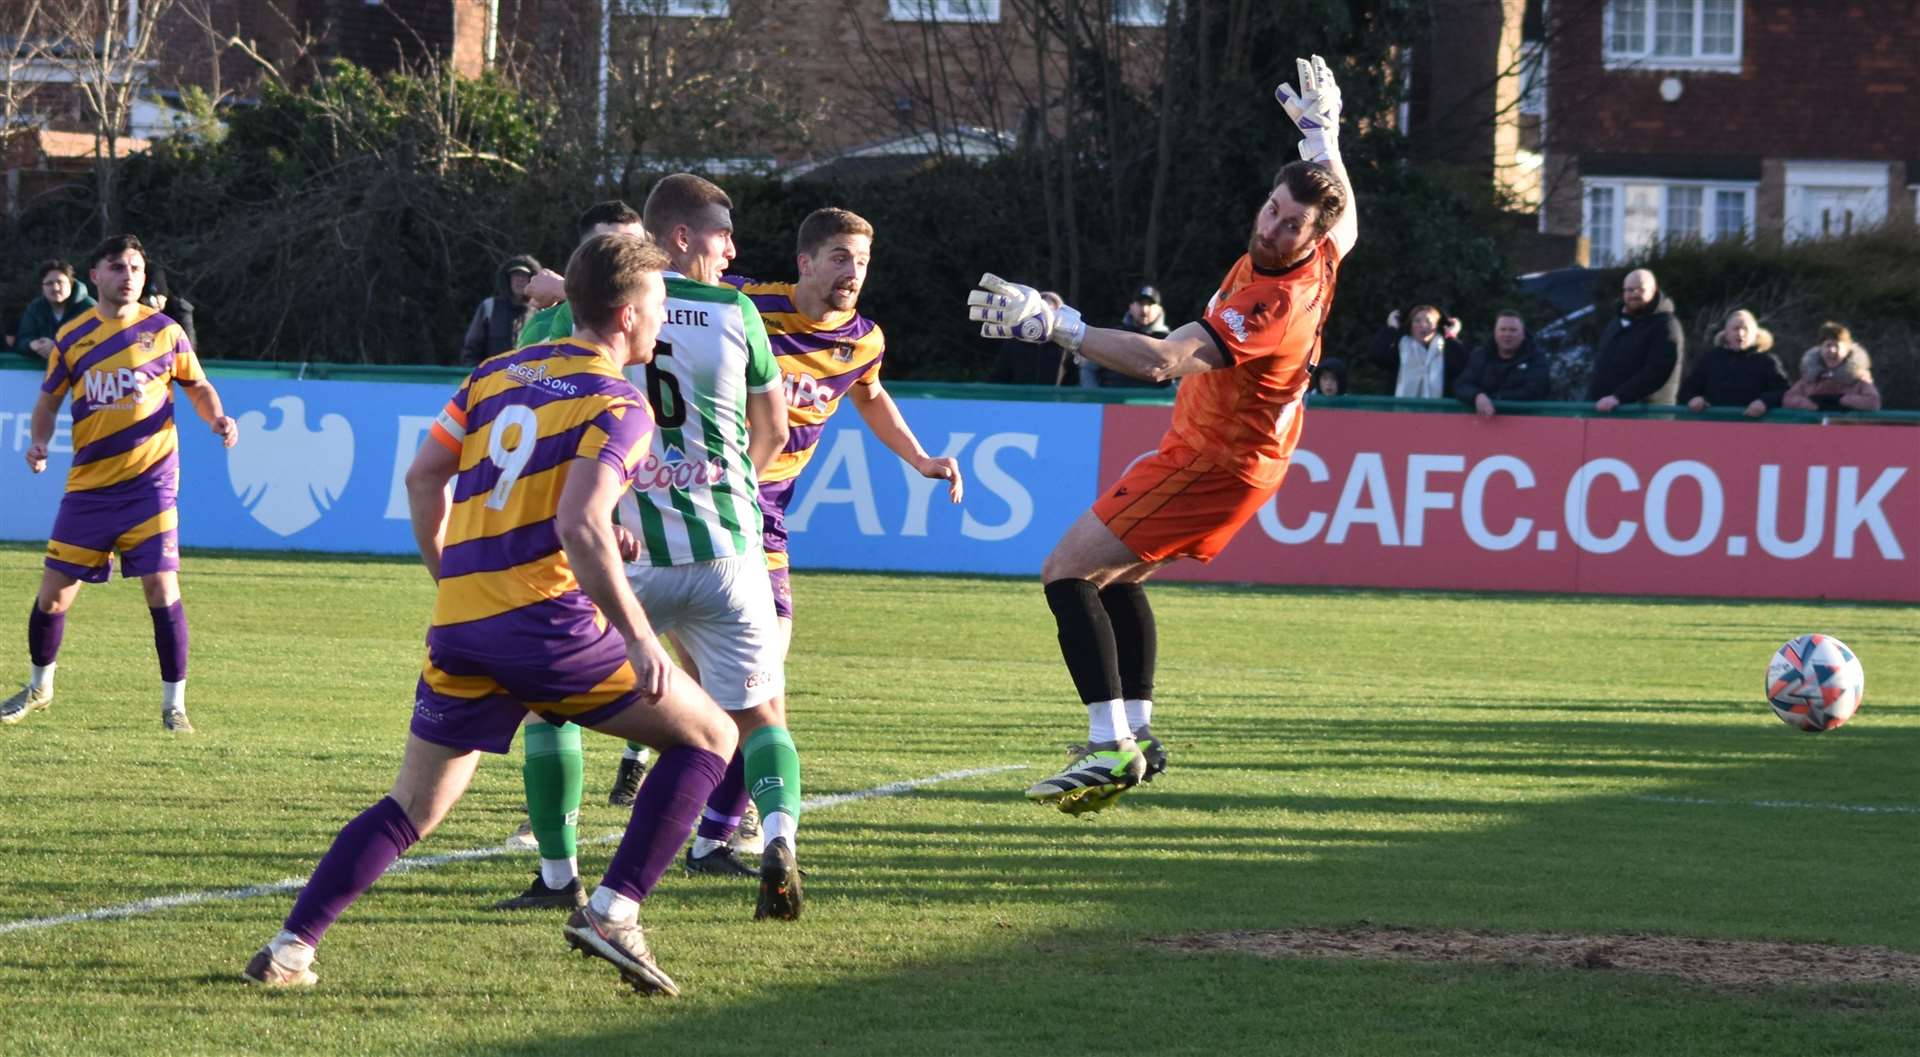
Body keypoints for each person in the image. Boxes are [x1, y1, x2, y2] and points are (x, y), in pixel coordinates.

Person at [242, 232, 738, 995]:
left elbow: (424, 475)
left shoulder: (497, 372)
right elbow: (577, 524)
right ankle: (612, 909)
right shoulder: (619, 402)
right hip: (542, 621)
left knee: (412, 805)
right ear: (631, 312)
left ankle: (289, 949)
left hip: (464, 621)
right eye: (660, 305)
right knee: (711, 734)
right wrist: (641, 639)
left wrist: (455, 576)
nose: (663, 319)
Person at [966, 55, 1357, 813]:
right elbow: (1351, 217)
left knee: (1066, 570)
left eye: (1289, 221)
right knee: (1116, 577)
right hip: (1232, 457)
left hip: (1217, 458)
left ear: (1313, 232)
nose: (1272, 225)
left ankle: (1110, 744)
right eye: (1272, 209)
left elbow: (1164, 360)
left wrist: (1061, 326)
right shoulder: (1323, 254)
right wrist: (1324, 139)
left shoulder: (1276, 299)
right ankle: (1137, 735)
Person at [2, 236, 239, 732]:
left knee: (161, 587)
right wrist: (40, 443)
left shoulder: (165, 331)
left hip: (150, 484)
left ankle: (174, 705)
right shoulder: (73, 336)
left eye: (136, 267)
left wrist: (217, 418)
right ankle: (39, 686)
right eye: (118, 267)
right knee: (52, 597)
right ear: (95, 275)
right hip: (89, 489)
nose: (129, 275)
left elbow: (197, 385)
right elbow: (48, 401)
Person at [730, 207, 965, 640]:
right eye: (840, 258)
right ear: (806, 263)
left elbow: (871, 397)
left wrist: (920, 459)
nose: (853, 271)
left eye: (862, 261)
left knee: (772, 640)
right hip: (712, 484)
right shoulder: (744, 304)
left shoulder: (862, 340)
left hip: (770, 499)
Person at [506, 201, 659, 814]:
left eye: (632, 245)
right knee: (555, 685)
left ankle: (647, 768)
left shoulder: (673, 307)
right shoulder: (548, 330)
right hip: (591, 515)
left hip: (670, 515)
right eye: (606, 250)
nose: (620, 260)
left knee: (687, 663)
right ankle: (552, 839)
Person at [1586, 268, 1683, 411]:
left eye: (1640, 289)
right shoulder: (1616, 323)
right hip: (1608, 412)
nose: (1634, 294)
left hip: (1646, 416)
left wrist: (1619, 397)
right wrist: (1591, 401)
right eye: (1629, 290)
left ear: (1653, 290)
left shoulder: (1666, 324)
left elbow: (1657, 371)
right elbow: (1601, 367)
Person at [1680, 309, 1789, 418]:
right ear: (1726, 333)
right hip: (1715, 425)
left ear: (1755, 334)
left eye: (1746, 329)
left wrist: (1764, 402)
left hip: (1754, 426)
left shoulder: (1768, 361)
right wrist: (1693, 399)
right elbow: (1687, 390)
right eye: (1736, 329)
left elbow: (1783, 391)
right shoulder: (1710, 359)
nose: (1741, 333)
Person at [1454, 309, 1550, 417]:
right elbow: (1462, 384)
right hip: (1482, 424)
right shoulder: (1480, 355)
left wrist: (1495, 399)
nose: (1507, 334)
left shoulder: (1536, 357)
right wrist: (1477, 396)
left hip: (1525, 422)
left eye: (1513, 330)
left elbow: (1535, 390)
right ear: (1495, 333)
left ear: (1523, 334)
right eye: (1502, 329)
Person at [460, 254, 542, 364]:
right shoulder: (489, 307)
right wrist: (473, 372)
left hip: (526, 378)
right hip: (492, 376)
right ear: (508, 280)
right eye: (516, 275)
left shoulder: (539, 312)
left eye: (524, 276)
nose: (519, 280)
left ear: (531, 280)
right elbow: (472, 347)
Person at [1370, 304, 1465, 399]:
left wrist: (1451, 336)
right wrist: (1392, 328)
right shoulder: (1400, 348)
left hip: (1438, 412)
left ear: (1436, 326)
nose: (1423, 325)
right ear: (1410, 326)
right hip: (1402, 411)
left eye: (1428, 321)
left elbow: (1462, 364)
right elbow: (1377, 354)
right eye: (1417, 321)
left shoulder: (1447, 350)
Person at [1783, 322, 1881, 412]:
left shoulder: (1858, 376)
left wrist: (1842, 400)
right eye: (1828, 346)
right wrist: (1813, 405)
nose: (1832, 350)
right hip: (1815, 427)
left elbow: (1873, 402)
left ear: (1847, 349)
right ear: (1820, 348)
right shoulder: (1811, 375)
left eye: (1837, 346)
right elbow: (1789, 398)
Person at [1088, 285, 1173, 388]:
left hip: (1154, 403)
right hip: (1112, 401)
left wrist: (1168, 400)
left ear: (1159, 309)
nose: (1144, 309)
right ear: (1131, 306)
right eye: (1140, 303)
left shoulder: (1171, 342)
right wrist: (1095, 397)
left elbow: (1179, 379)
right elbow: (1089, 367)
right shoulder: (1114, 335)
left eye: (1150, 304)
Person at [12, 259, 96, 362]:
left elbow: (96, 343)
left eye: (60, 282)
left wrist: (58, 347)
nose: (55, 288)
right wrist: (32, 345)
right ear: (42, 287)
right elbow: (21, 340)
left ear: (71, 284)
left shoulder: (89, 308)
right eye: (49, 283)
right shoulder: (35, 308)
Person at [987, 290, 1068, 384]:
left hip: (1053, 398)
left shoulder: (1065, 346)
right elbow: (998, 378)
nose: (1045, 316)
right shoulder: (1014, 343)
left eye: (1050, 312)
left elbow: (1074, 383)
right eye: (1040, 311)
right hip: (1019, 398)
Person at [141, 267, 198, 350]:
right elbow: (146, 351)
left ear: (165, 296)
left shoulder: (180, 312)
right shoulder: (136, 313)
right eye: (147, 298)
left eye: (157, 297)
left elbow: (187, 349)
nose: (152, 302)